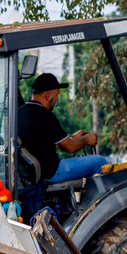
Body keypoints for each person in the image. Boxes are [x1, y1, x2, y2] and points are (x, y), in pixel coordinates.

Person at [17, 72, 105, 215]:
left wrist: (73, 137)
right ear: (48, 96)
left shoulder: (19, 114)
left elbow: (45, 142)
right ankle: (93, 212)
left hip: (34, 172)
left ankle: (65, 210)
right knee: (100, 162)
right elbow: (70, 147)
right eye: (57, 95)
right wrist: (86, 140)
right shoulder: (46, 116)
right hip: (51, 171)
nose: (57, 99)